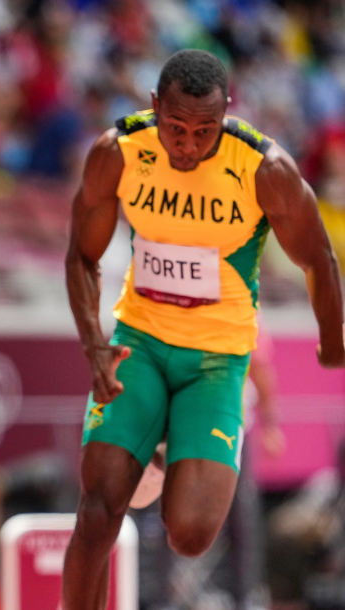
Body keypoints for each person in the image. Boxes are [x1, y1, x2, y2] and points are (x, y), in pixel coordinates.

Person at [63, 49, 345, 610]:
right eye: (175, 129)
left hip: (216, 359)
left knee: (189, 536)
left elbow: (318, 257)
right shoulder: (118, 152)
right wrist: (94, 344)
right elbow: (80, 256)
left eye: (204, 131)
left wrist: (334, 341)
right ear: (153, 108)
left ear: (226, 115)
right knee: (98, 508)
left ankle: (168, 453)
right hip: (138, 340)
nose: (188, 145)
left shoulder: (264, 169)